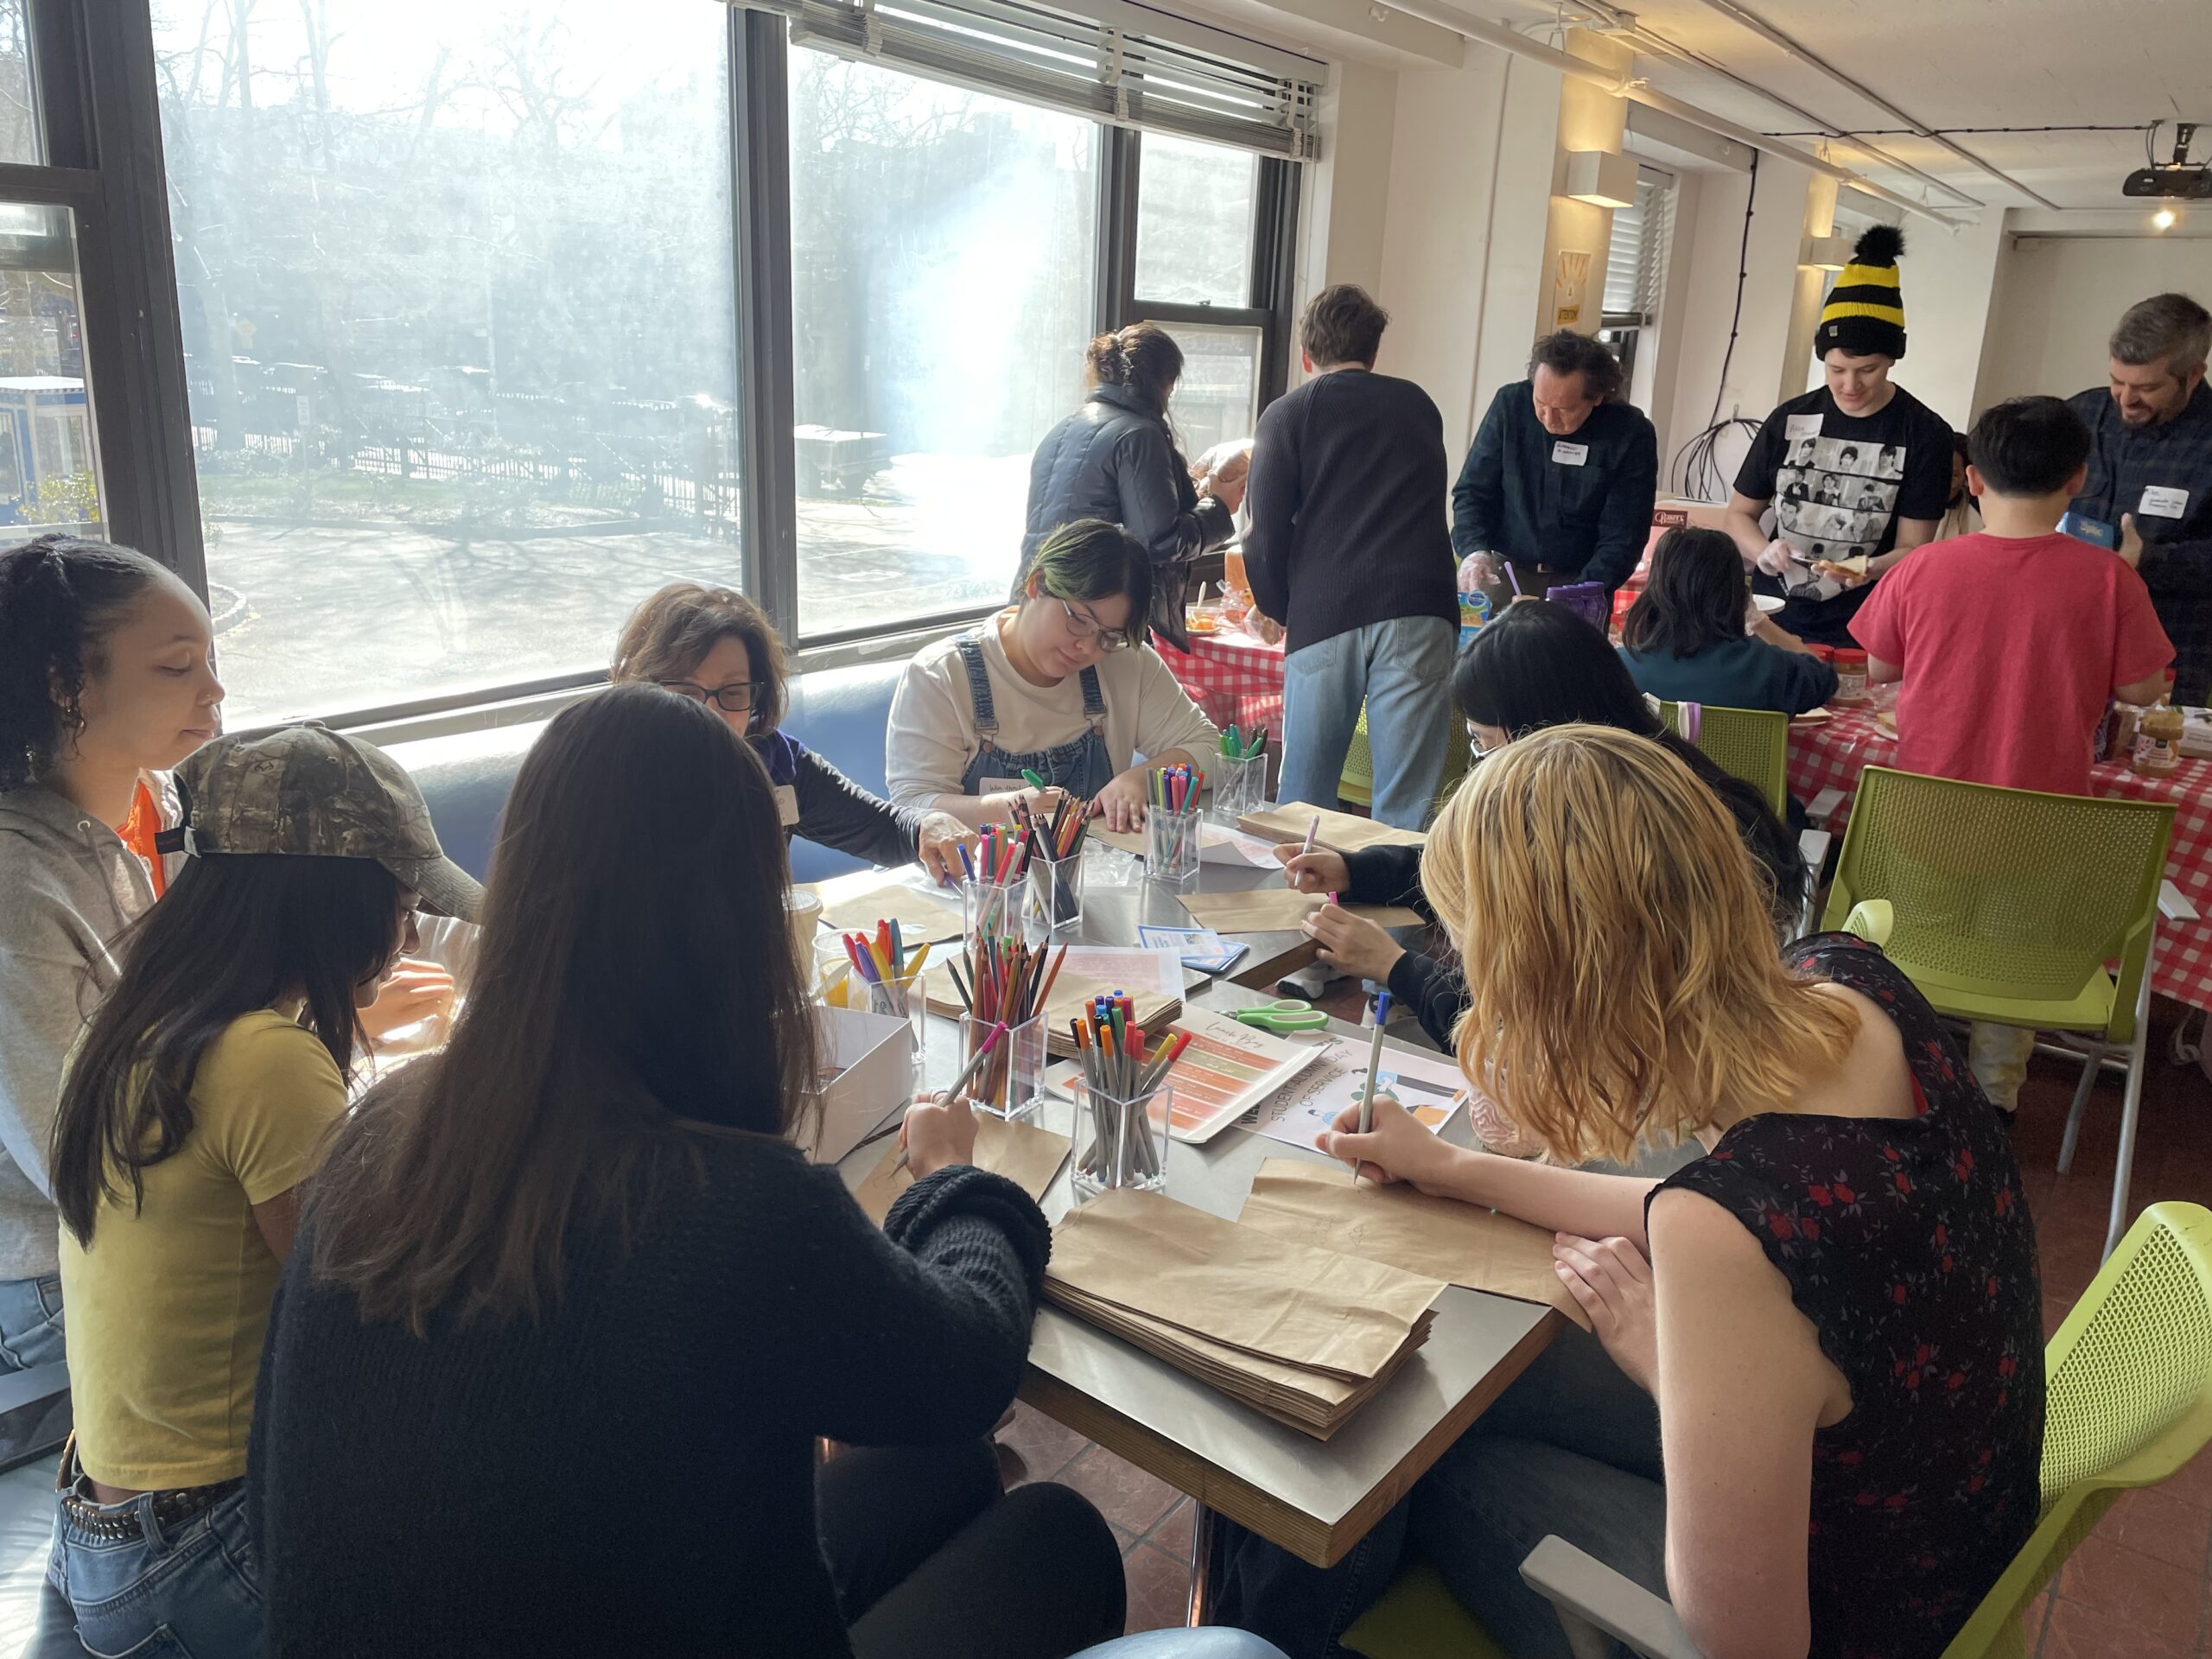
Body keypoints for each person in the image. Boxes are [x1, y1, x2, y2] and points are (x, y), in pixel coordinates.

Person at [251, 683, 1129, 1658]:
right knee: (1058, 1534)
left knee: (944, 1470)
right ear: (738, 916)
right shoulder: (729, 1205)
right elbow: (969, 1366)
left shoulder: (381, 1130)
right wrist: (957, 1182)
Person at [1220, 727, 2044, 1659]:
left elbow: (1750, 1645)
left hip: (1853, 1618)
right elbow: (1753, 1211)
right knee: (1426, 1388)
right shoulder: (1841, 980)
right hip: (1946, 1518)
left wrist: (1666, 1367)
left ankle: (1266, 1645)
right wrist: (1456, 1171)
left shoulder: (1730, 1232)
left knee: (1399, 1442)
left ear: (1545, 984)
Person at [43, 721, 480, 1656]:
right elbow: (362, 1314)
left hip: (102, 1531)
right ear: (325, 901)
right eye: (401, 905)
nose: (408, 934)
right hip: (208, 1540)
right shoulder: (266, 1059)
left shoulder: (128, 1024)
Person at [1277, 601, 1803, 1052]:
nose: (1484, 763)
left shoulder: (1604, 842)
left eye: (1486, 740)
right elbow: (1468, 867)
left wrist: (1395, 967)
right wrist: (1354, 869)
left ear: (1543, 733)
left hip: (1645, 1072)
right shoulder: (1653, 775)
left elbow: (1519, 1034)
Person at [1849, 394, 2171, 1109]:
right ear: (2078, 480)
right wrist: (2130, 569)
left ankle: (1906, 1088)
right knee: (2012, 968)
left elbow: (1879, 674)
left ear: (1973, 480)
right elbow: (2146, 689)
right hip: (2044, 828)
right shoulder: (2109, 579)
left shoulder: (1921, 569)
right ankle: (1995, 1102)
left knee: (1914, 956)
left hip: (1925, 817)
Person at [1243, 284, 1456, 830]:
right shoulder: (1419, 405)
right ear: (1374, 351)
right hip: (1422, 606)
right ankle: (1395, 911)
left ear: (1305, 355)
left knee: (1304, 800)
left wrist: (1279, 608)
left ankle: (1298, 909)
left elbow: (1263, 533)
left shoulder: (1288, 415)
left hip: (1326, 612)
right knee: (1406, 803)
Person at [611, 582, 975, 883]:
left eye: (733, 693)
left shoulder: (776, 765)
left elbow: (884, 828)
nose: (711, 713)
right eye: (686, 693)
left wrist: (928, 825)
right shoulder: (603, 780)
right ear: (644, 689)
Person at [889, 518, 1220, 834]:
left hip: (1089, 877)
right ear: (1036, 584)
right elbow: (911, 807)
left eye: (1108, 635)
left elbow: (1210, 748)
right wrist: (1013, 809)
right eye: (1079, 620)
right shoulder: (941, 675)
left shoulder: (1125, 663)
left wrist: (1141, 779)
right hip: (975, 882)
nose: (1087, 647)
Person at [1723, 226, 1955, 645]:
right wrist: (1763, 551)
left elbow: (1914, 548)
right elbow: (1738, 513)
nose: (1851, 385)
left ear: (1891, 361)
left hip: (1864, 619)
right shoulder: (1790, 417)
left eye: (1868, 370)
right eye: (1836, 370)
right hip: (1772, 611)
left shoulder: (1924, 433)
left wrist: (1865, 569)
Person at [1017, 321, 1242, 652]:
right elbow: (1159, 540)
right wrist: (1220, 506)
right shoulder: (1139, 435)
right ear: (1166, 385)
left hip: (1041, 607)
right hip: (1097, 616)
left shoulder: (1063, 430)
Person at [2066, 292, 2212, 703]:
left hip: (2169, 652)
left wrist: (2146, 560)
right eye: (2117, 381)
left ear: (2193, 374)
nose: (2126, 400)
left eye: (2147, 388)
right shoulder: (2079, 416)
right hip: (2068, 637)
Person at [1451, 331, 1657, 601]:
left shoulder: (1629, 433)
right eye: (1540, 403)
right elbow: (1472, 492)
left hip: (1582, 578)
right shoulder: (1511, 405)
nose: (1548, 419)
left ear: (1596, 397)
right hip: (1504, 571)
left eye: (1564, 409)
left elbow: (1624, 534)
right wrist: (1474, 550)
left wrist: (1581, 592)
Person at [1618, 525, 1838, 715]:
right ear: (1736, 594)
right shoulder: (1766, 667)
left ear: (1653, 591)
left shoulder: (1618, 666)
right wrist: (1759, 620)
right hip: (1739, 767)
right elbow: (1825, 677)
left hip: (1652, 766)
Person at [1936, 429, 1978, 542]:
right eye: (1933, 471)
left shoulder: (1976, 515)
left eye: (1952, 476)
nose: (1940, 482)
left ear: (1966, 478)